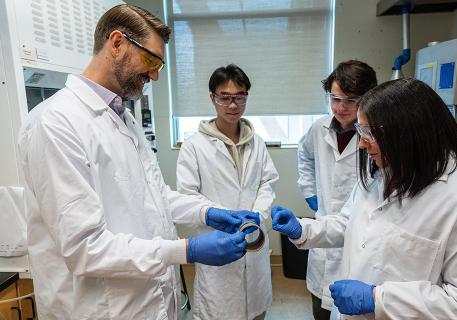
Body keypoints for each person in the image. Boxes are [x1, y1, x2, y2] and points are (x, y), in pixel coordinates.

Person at [17, 5, 257, 320]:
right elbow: (85, 248)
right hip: (100, 309)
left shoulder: (124, 117)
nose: (155, 75)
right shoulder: (54, 124)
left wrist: (207, 212)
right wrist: (186, 251)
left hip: (148, 302)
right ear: (116, 43)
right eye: (151, 60)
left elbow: (154, 196)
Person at [272, 78, 457, 319]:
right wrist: (303, 229)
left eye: (369, 133)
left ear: (408, 133)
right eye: (361, 131)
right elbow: (349, 223)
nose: (361, 143)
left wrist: (378, 299)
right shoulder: (383, 171)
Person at [176, 64, 279, 320]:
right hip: (217, 241)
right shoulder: (194, 146)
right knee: (220, 310)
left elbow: (268, 181)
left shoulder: (256, 142)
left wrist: (258, 214)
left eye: (240, 97)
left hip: (254, 241)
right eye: (225, 97)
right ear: (213, 98)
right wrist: (219, 215)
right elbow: (187, 195)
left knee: (256, 311)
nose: (233, 105)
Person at [297, 60, 377, 319]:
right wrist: (309, 190)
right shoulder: (319, 127)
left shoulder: (375, 136)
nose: (341, 107)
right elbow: (305, 155)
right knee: (320, 306)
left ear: (368, 99)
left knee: (349, 308)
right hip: (324, 229)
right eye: (335, 98)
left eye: (351, 100)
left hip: (360, 236)